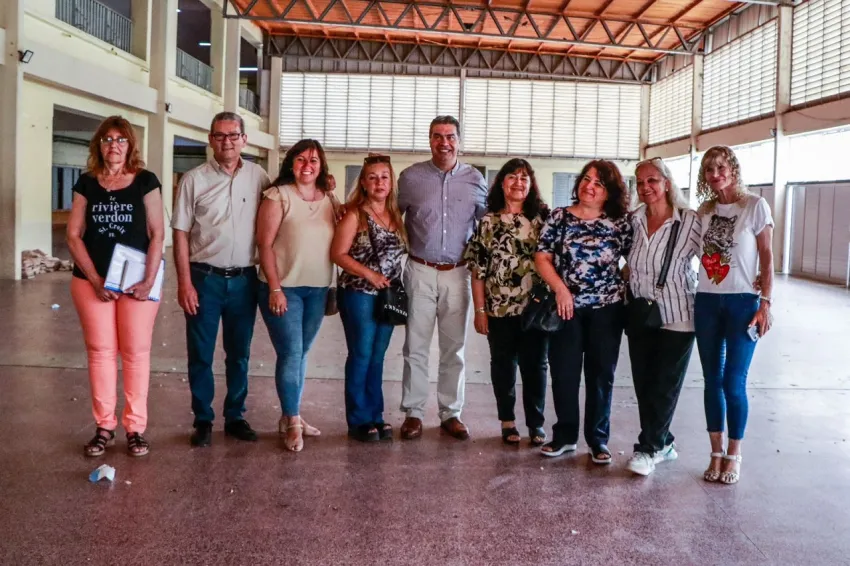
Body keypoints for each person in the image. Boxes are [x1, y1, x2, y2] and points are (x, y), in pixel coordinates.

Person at [67, 115, 164, 457]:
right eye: (107, 139)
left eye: (121, 139)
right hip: (92, 283)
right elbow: (73, 235)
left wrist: (148, 280)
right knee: (100, 352)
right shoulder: (87, 183)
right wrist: (94, 279)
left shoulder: (145, 181)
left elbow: (157, 233)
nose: (114, 145)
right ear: (99, 145)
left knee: (135, 353)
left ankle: (135, 428)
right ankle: (104, 427)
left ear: (130, 145)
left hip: (137, 283)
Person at [172, 111, 270, 448]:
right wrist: (184, 283)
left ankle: (235, 416)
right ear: (210, 139)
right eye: (219, 135)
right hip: (204, 279)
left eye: (233, 135)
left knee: (239, 353)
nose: (226, 141)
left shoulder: (259, 177)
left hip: (245, 280)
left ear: (244, 139)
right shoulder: (193, 180)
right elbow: (180, 233)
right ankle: (203, 419)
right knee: (200, 353)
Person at [534, 160, 632, 464]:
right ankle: (565, 435)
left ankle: (598, 440)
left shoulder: (620, 222)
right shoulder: (559, 217)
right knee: (564, 373)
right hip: (567, 308)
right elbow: (542, 257)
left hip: (607, 309)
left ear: (610, 192)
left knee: (601, 375)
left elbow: (635, 260)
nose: (589, 186)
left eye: (598, 183)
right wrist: (560, 289)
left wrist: (621, 283)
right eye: (586, 179)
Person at [397, 116, 488, 441]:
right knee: (415, 346)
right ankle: (414, 412)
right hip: (419, 270)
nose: (444, 143)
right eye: (437, 136)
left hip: (458, 273)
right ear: (430, 140)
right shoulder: (410, 178)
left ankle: (451, 413)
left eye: (450, 136)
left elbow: (487, 225)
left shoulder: (475, 179)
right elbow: (390, 217)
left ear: (459, 141)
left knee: (454, 348)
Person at [695, 146, 774, 485]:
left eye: (721, 167)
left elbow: (767, 255)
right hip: (706, 301)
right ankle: (715, 452)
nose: (716, 174)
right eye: (709, 169)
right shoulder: (704, 211)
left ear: (733, 169)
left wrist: (765, 302)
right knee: (711, 380)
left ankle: (734, 453)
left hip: (742, 302)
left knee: (733, 381)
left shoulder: (755, 206)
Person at [256, 139, 338, 452]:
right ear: (291, 163)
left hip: (317, 289)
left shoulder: (329, 198)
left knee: (301, 353)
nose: (307, 166)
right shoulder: (278, 195)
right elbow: (264, 244)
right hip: (283, 288)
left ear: (321, 166)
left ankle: (291, 414)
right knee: (291, 352)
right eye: (301, 159)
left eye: (314, 160)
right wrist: (275, 288)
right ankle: (292, 420)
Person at [624, 157, 701, 476]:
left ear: (667, 183)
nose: (646, 187)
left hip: (678, 313)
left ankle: (648, 448)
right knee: (644, 383)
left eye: (652, 180)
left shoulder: (690, 221)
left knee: (664, 384)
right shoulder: (633, 220)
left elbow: (714, 260)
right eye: (640, 182)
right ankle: (664, 442)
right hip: (641, 312)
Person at [464, 158, 550, 446]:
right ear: (501, 183)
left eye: (524, 177)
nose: (518, 182)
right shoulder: (488, 222)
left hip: (535, 309)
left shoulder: (543, 219)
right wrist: (480, 310)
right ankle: (508, 421)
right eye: (512, 177)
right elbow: (478, 271)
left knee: (536, 366)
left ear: (531, 184)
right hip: (499, 309)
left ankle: (536, 424)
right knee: (503, 365)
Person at [331, 154, 407, 442]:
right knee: (361, 354)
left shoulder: (396, 215)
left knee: (377, 356)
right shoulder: (355, 215)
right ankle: (358, 419)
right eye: (372, 177)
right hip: (358, 293)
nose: (379, 182)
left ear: (391, 182)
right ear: (363, 182)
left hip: (387, 295)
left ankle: (376, 414)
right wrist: (369, 274)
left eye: (384, 177)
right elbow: (337, 254)